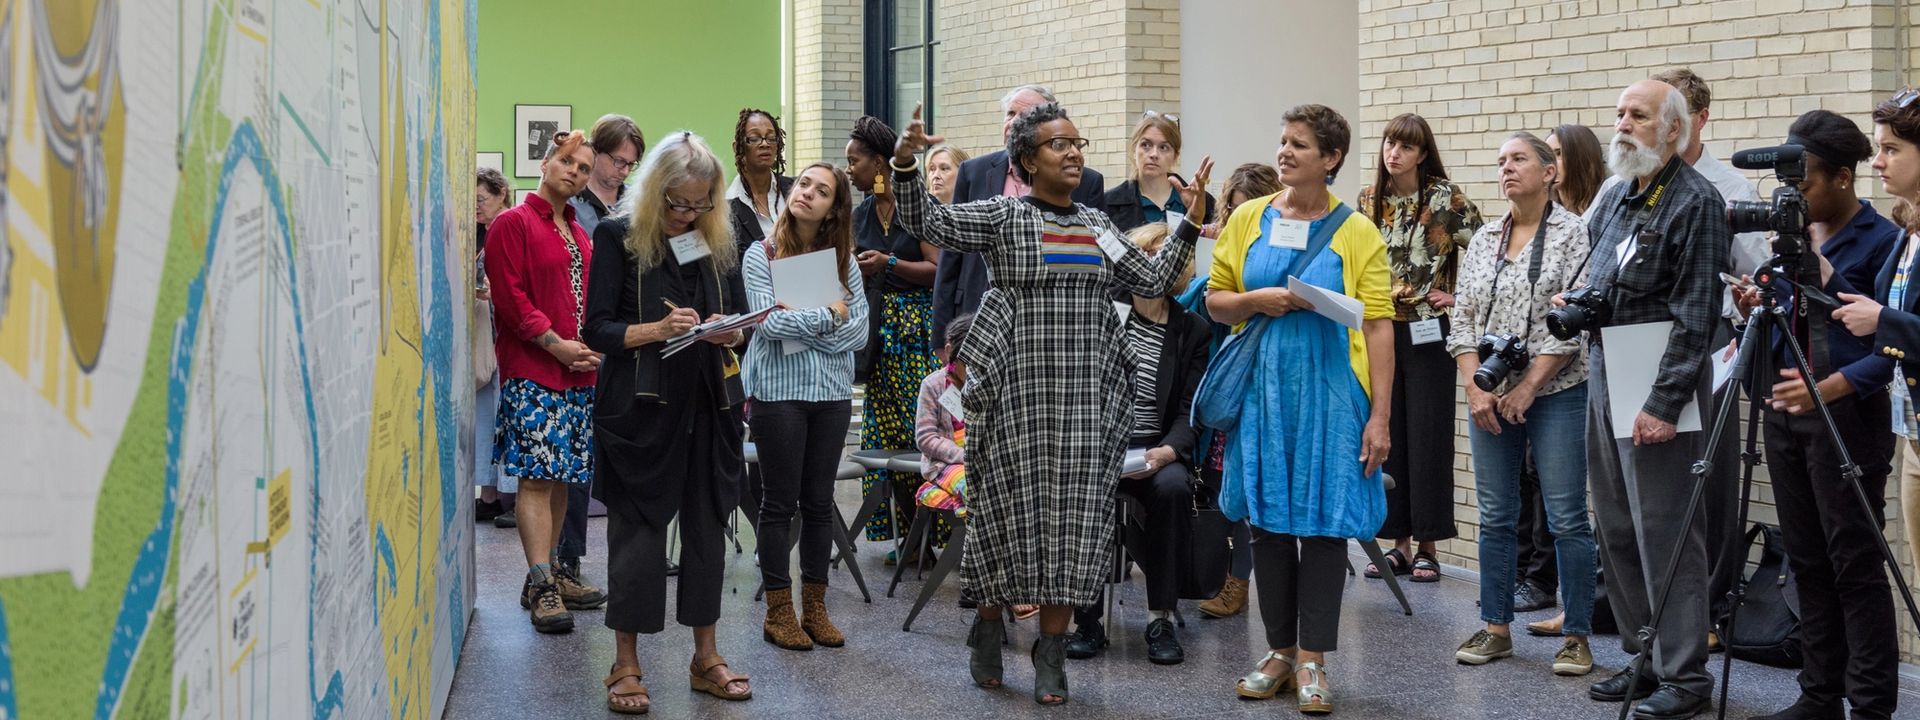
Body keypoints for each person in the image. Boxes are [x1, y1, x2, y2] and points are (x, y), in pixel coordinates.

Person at [892, 101, 1210, 705]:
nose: (1073, 153)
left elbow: (1151, 278)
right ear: (1026, 159)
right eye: (1058, 145)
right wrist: (906, 164)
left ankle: (1051, 653)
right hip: (1011, 390)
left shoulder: (1095, 223)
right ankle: (989, 624)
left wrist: (1190, 220)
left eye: (1076, 143)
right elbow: (931, 223)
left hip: (1082, 397)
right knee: (1000, 517)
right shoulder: (1002, 215)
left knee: (1074, 524)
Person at [1207, 104, 1392, 716]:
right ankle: (1279, 654)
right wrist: (1255, 298)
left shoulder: (1358, 230)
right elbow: (1215, 302)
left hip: (1335, 395)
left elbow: (1382, 324)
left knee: (1324, 524)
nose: (1284, 152)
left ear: (1331, 158)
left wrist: (1381, 416)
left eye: (1300, 145)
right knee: (1268, 523)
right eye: (1283, 142)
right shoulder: (1246, 217)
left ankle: (1314, 661)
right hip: (1262, 392)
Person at [582, 131, 753, 712]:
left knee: (708, 529)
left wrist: (731, 329)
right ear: (655, 192)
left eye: (701, 203)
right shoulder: (617, 237)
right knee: (637, 533)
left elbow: (734, 317)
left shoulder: (713, 240)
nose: (687, 214)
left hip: (710, 405)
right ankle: (625, 661)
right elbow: (597, 329)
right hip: (640, 409)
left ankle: (706, 655)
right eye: (677, 202)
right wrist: (657, 330)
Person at [1575, 78, 1730, 720]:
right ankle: (1644, 661)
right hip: (1609, 360)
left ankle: (1686, 676)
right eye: (1618, 114)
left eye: (1637, 116)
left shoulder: (1698, 202)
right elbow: (1601, 279)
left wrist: (1664, 403)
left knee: (1665, 530)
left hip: (1659, 368)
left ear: (1675, 128)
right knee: (1615, 525)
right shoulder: (1617, 195)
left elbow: (1698, 316)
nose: (1622, 124)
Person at [1445, 132, 1597, 677]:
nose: (1507, 169)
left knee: (1566, 516)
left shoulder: (1575, 233)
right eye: (1501, 161)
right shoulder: (1485, 236)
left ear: (1550, 171)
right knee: (1496, 516)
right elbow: (1461, 319)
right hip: (1487, 391)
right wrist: (1475, 387)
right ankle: (1495, 628)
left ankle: (1577, 633)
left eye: (1519, 159)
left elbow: (1574, 324)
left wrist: (1528, 386)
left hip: (1556, 391)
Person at [1064, 222, 1211, 666]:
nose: (1156, 263)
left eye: (1167, 257)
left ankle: (1160, 618)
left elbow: (1192, 408)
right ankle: (1086, 619)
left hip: (1155, 446)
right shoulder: (1103, 313)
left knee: (1173, 489)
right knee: (1081, 488)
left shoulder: (1193, 331)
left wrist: (1169, 450)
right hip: (1098, 440)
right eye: (1148, 254)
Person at [484, 129, 609, 633]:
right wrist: (555, 343)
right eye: (566, 161)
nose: (574, 172)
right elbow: (510, 299)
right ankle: (540, 583)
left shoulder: (577, 228)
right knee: (536, 478)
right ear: (545, 162)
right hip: (535, 368)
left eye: (582, 168)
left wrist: (591, 347)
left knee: (561, 476)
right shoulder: (512, 223)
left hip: (577, 374)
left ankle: (551, 571)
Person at [1821, 92, 1920, 720]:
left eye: (1891, 149)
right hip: (1914, 436)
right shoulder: (1908, 229)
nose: (1876, 160)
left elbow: (1894, 323)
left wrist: (1882, 318)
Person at [742, 162, 869, 652]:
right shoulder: (762, 254)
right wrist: (829, 317)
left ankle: (815, 608)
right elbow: (768, 326)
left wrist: (807, 320)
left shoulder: (846, 263)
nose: (807, 193)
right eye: (804, 184)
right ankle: (779, 611)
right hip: (778, 396)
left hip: (832, 396)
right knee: (779, 504)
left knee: (819, 504)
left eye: (821, 190)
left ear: (833, 207)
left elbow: (858, 333)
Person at [1353, 113, 1480, 585]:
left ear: (1422, 153)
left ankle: (1428, 546)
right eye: (1390, 143)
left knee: (1426, 435)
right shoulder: (1368, 201)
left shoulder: (1446, 199)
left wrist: (1460, 297)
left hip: (1429, 329)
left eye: (1406, 146)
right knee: (1387, 432)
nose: (1395, 153)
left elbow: (1487, 249)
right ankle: (1397, 543)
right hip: (1377, 328)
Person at [1515, 123, 1608, 625]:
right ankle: (1540, 580)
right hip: (1529, 368)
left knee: (1565, 498)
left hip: (1571, 372)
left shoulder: (1586, 221)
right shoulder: (1524, 226)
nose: (1543, 162)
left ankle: (1574, 603)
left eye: (1553, 154)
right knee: (1530, 480)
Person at [931, 84, 1106, 345]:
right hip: (974, 321)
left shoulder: (1086, 182)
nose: (1013, 122)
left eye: (1024, 116)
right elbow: (950, 256)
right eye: (1010, 114)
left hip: (1051, 330)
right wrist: (940, 336)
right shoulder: (973, 171)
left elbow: (1100, 262)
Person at [844, 117, 943, 556]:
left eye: (855, 161)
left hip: (917, 333)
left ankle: (937, 531)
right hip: (878, 337)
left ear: (880, 164)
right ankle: (906, 536)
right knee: (885, 436)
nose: (849, 170)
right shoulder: (859, 213)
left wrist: (889, 264)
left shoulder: (916, 206)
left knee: (920, 432)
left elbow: (938, 271)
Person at [1189, 162, 1284, 620]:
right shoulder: (1224, 247)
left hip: (1268, 377)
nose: (1238, 220)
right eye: (1232, 210)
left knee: (1252, 486)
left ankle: (1242, 582)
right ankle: (1229, 578)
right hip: (1229, 376)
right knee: (1226, 482)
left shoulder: (1280, 246)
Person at [475, 167, 515, 527]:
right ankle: (489, 495)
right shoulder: (480, 235)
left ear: (502, 192)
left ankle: (514, 497)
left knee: (506, 412)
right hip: (489, 338)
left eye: (481, 200)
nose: (476, 207)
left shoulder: (509, 230)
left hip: (510, 339)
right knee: (488, 413)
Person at [1103, 110, 1217, 234]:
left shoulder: (1203, 202)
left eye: (1163, 147)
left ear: (1175, 156)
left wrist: (1194, 214)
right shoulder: (1108, 203)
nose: (1154, 154)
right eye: (1146, 145)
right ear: (1134, 150)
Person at [914, 313, 975, 513]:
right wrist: (964, 455)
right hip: (944, 464)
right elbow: (925, 437)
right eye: (968, 364)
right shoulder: (933, 385)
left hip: (981, 460)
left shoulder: (986, 383)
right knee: (971, 486)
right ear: (950, 352)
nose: (975, 371)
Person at [728, 108, 793, 256]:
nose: (765, 144)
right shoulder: (727, 207)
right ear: (737, 147)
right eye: (754, 138)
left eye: (771, 138)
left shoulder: (796, 190)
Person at [571, 114, 646, 235]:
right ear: (595, 151)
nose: (625, 172)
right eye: (619, 161)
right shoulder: (567, 202)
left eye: (631, 164)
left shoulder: (640, 201)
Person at [1549, 124, 1608, 217]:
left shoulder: (1606, 206)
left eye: (1559, 153)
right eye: (1547, 155)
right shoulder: (1543, 210)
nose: (1550, 163)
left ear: (1581, 158)